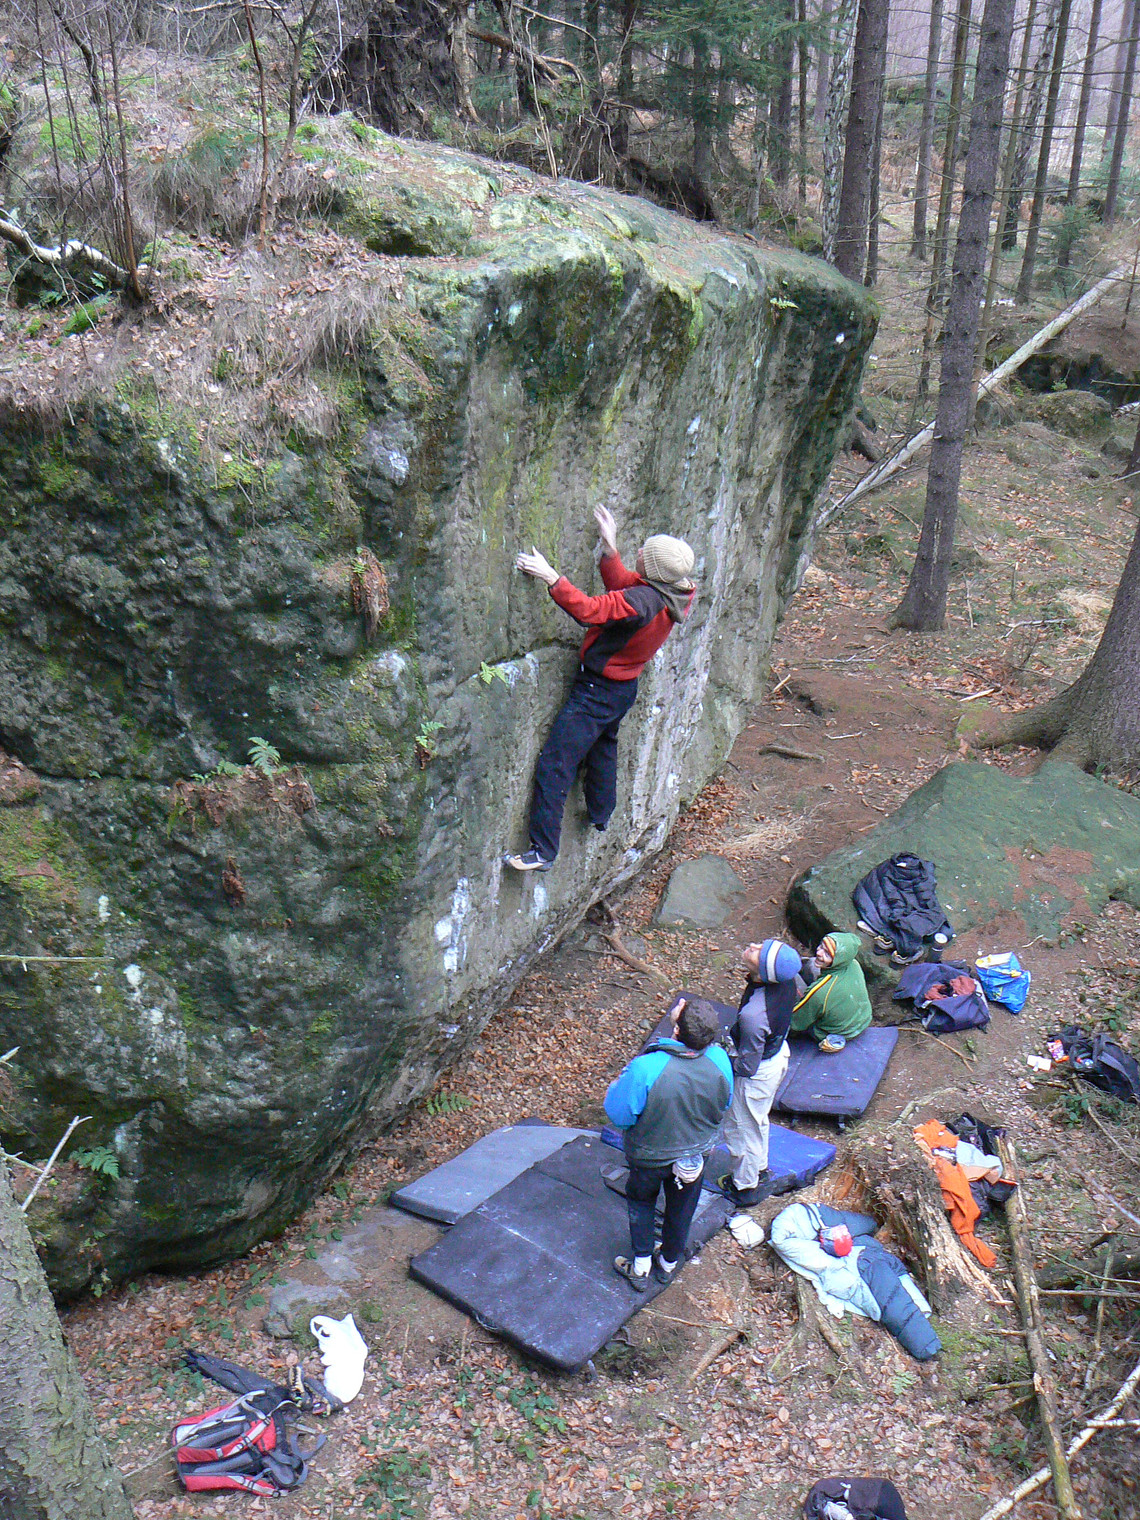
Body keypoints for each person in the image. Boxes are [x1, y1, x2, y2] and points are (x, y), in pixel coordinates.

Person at [504, 505, 695, 872]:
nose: (640, 550)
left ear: (654, 571)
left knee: (556, 764)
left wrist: (550, 576)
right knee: (603, 748)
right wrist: (610, 549)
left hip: (596, 692)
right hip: (622, 689)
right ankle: (601, 812)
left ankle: (543, 851)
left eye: (646, 552)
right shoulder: (672, 594)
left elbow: (592, 610)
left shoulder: (642, 601)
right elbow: (626, 591)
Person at [603, 996, 732, 1291]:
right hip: (695, 1155)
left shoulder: (646, 1067)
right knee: (682, 1208)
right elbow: (724, 1103)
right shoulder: (720, 1061)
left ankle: (640, 1267)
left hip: (649, 1156)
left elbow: (619, 1116)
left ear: (676, 1030)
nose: (680, 1002)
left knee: (641, 1202)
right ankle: (668, 1263)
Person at [719, 937, 803, 1208]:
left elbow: (747, 1066)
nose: (753, 946)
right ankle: (759, 1168)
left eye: (759, 952)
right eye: (759, 945)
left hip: (757, 1073)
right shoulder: (787, 979)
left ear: (764, 972)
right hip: (777, 1053)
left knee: (742, 1129)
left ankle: (744, 1187)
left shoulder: (754, 1016)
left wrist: (721, 1061)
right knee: (757, 1121)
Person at [790, 932, 873, 1053]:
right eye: (821, 946)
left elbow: (796, 1022)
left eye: (827, 953)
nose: (819, 952)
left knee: (791, 978)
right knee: (813, 964)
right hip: (861, 1020)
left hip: (831, 1032)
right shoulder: (853, 963)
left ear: (838, 959)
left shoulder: (821, 993)